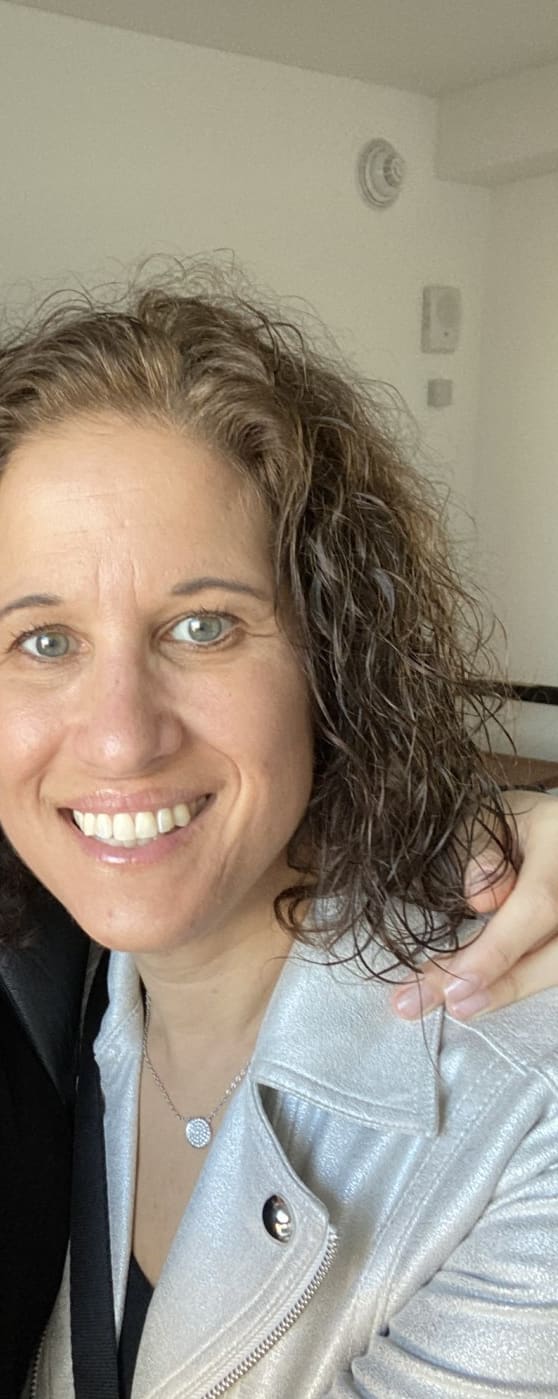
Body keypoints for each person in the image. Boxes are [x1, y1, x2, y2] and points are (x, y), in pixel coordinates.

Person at [0, 273, 556, 1398]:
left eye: (203, 626)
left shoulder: (523, 1115)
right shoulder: (46, 975)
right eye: (44, 641)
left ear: (331, 658)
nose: (120, 738)